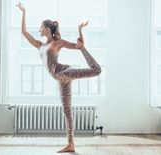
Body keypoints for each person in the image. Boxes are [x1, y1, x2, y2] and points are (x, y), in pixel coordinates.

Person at [16, 2, 101, 153]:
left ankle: (93, 64)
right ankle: (71, 144)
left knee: (96, 70)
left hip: (63, 73)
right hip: (60, 79)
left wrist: (79, 30)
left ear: (47, 29)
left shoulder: (57, 43)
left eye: (41, 27)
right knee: (67, 111)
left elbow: (77, 45)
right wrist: (24, 12)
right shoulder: (39, 45)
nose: (39, 29)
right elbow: (24, 32)